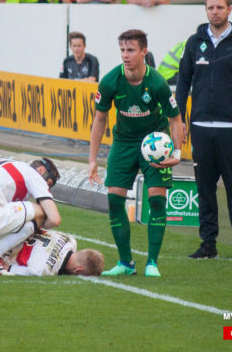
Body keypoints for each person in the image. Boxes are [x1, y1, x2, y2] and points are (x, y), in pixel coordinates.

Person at [88, 29, 183, 277]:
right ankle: (126, 263)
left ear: (144, 52)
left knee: (156, 200)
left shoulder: (157, 83)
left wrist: (179, 152)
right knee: (114, 200)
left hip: (154, 144)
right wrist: (92, 161)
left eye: (131, 50)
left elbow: (175, 120)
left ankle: (152, 262)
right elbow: (99, 120)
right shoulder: (110, 81)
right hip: (124, 143)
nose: (125, 55)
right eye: (122, 50)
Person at [176, 0, 232, 260]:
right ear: (206, 10)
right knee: (204, 189)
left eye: (220, 8)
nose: (215, 12)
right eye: (211, 8)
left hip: (231, 129)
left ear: (229, 9)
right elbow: (182, 83)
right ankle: (208, 244)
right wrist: (180, 120)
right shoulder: (193, 42)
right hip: (200, 127)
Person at [0, 230, 104, 276]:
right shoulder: (44, 270)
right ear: (78, 270)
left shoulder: (70, 240)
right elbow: (5, 269)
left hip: (5, 227)